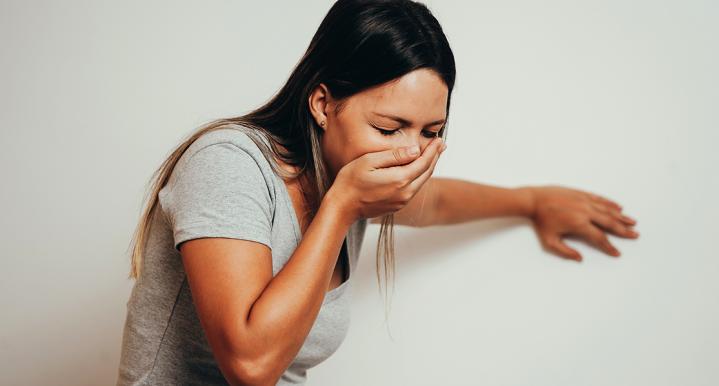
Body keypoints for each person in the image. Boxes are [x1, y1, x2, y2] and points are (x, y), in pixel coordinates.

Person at [117, 0, 639, 385]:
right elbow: (251, 362)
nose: (411, 154)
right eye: (390, 128)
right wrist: (342, 207)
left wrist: (530, 201)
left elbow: (436, 202)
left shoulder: (350, 172)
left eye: (431, 132)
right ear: (323, 103)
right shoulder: (230, 163)